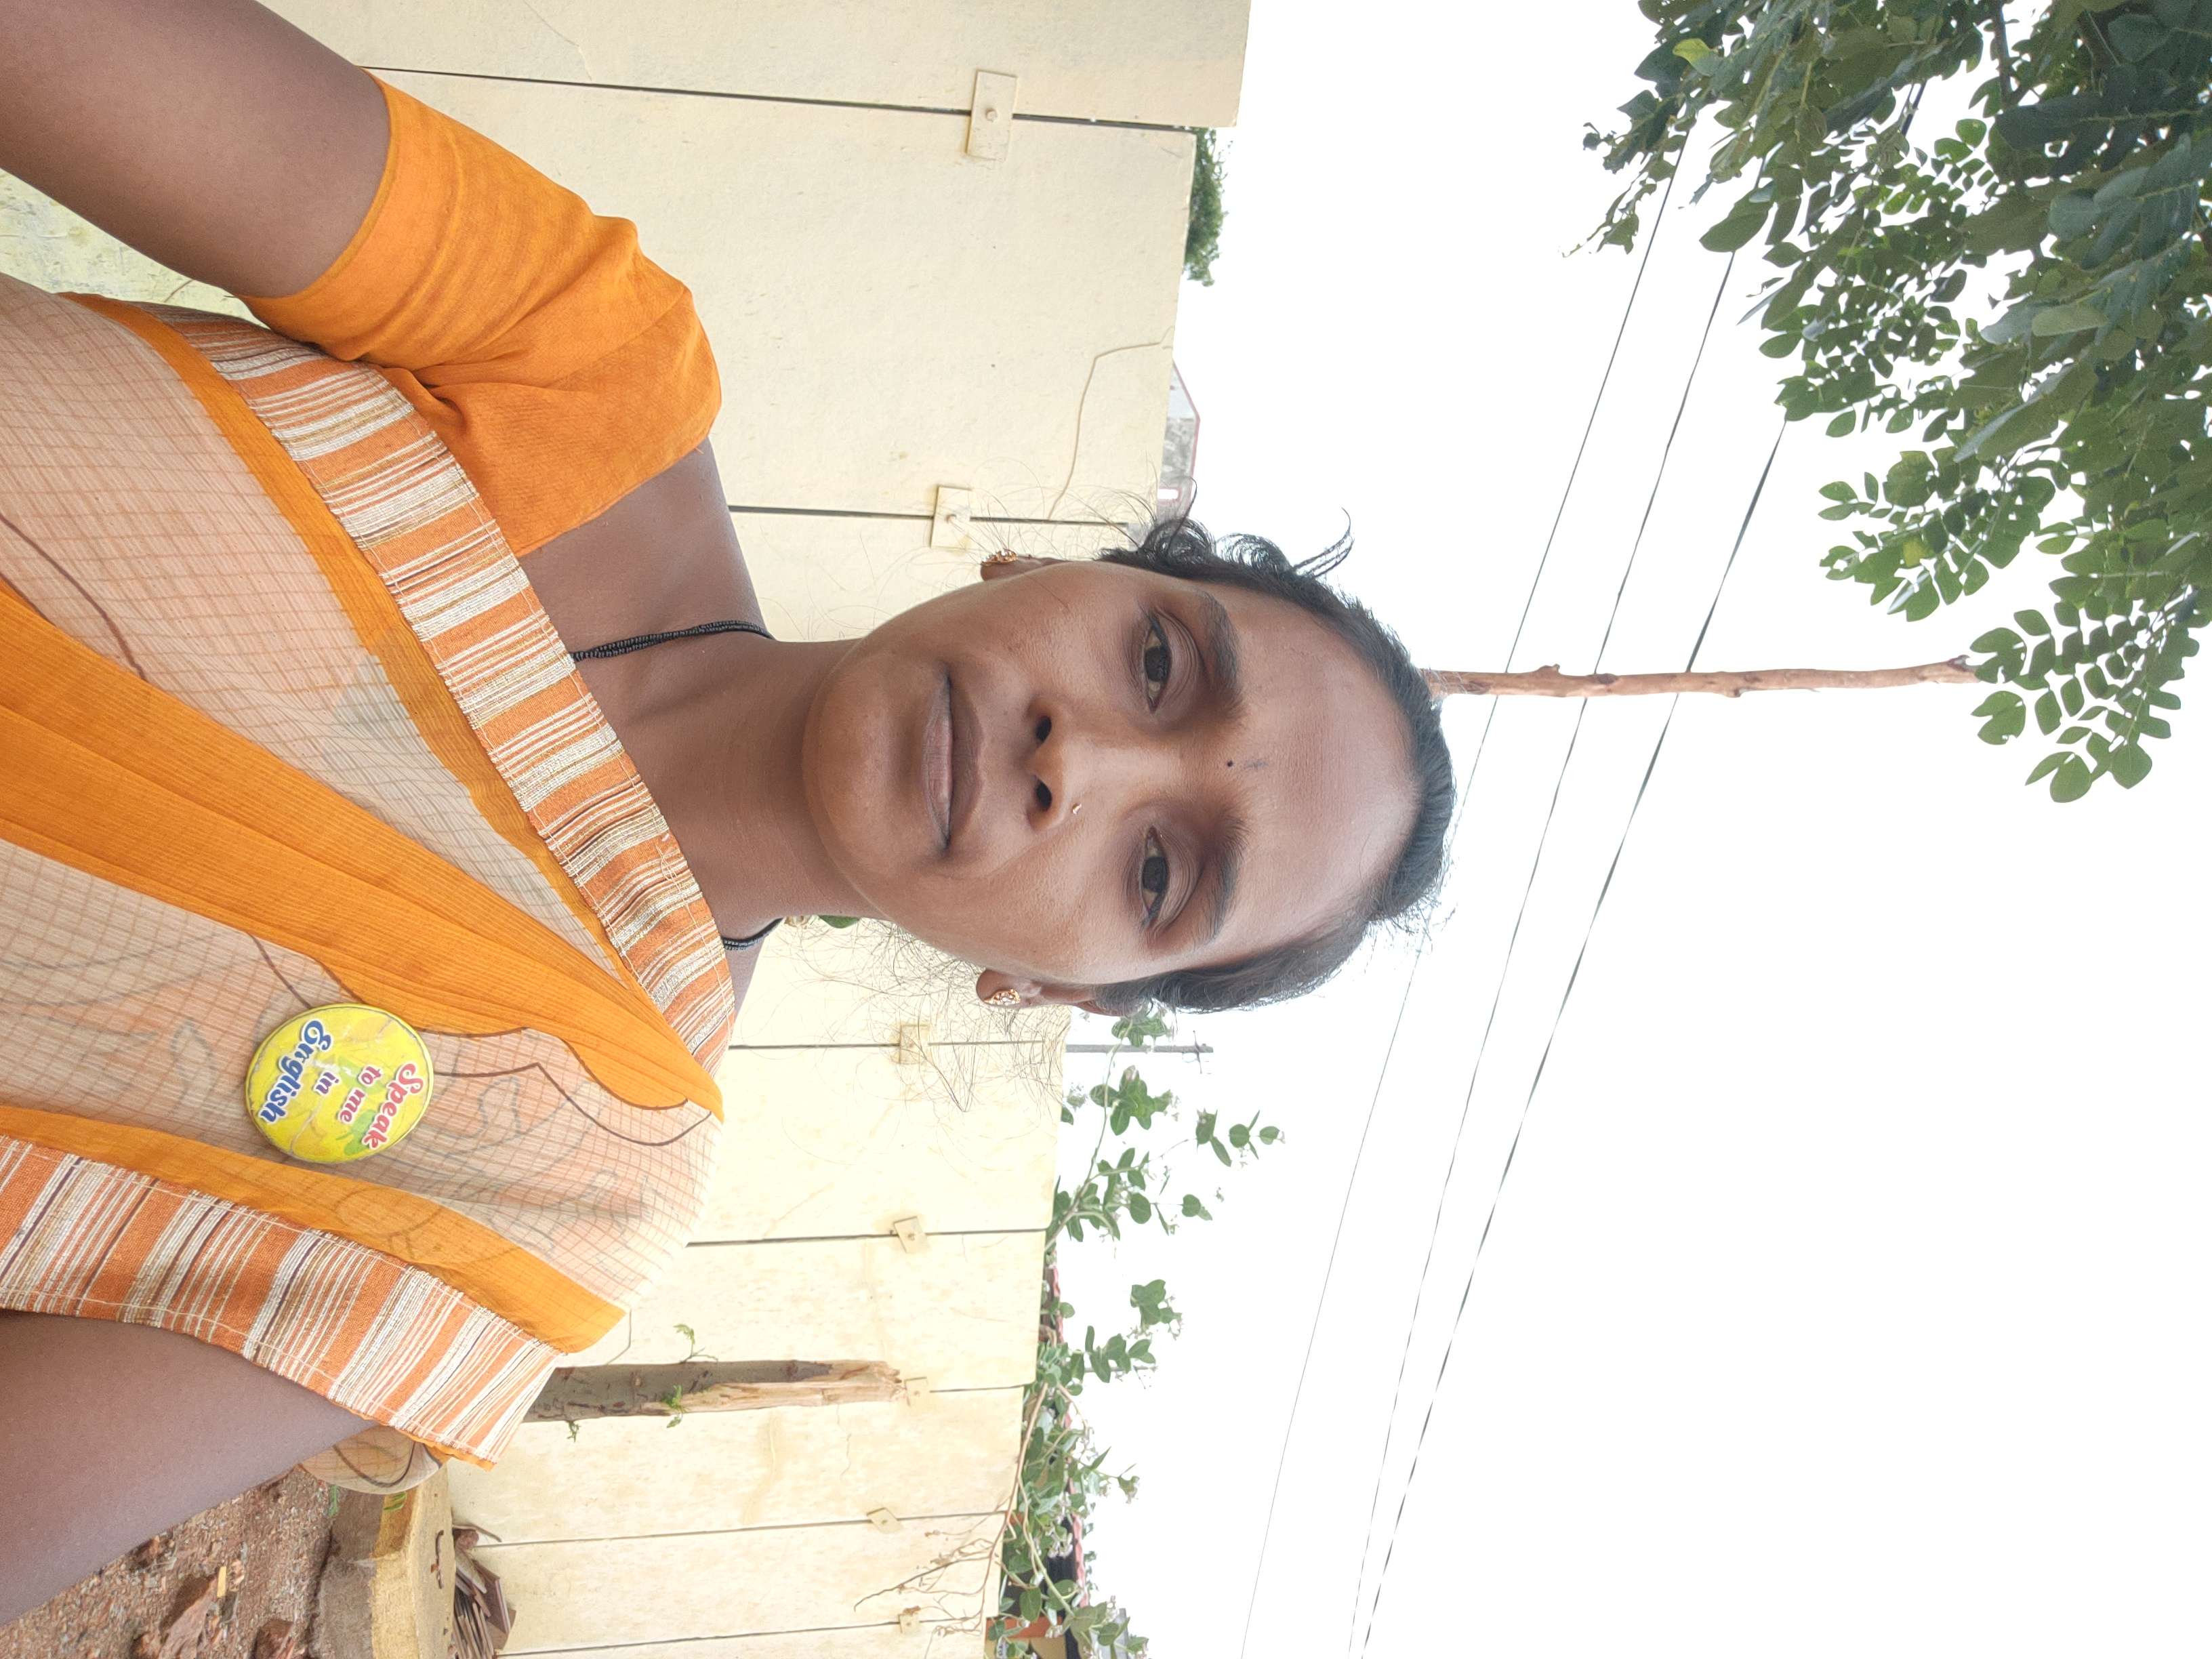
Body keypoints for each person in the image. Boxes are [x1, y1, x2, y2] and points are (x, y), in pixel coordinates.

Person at [0, 0, 1454, 1618]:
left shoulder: (563, 1182)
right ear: (1048, 565)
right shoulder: (585, 361)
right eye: (1162, 663)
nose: (1083, 763)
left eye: (1163, 871)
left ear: (1054, 991)